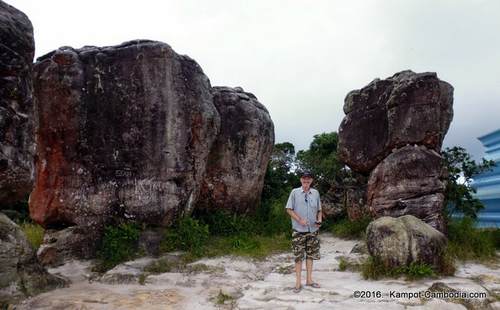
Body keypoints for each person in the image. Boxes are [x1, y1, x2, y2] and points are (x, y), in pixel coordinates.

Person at [285, 170, 322, 293]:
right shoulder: (294, 192)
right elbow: (289, 209)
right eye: (304, 179)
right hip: (298, 230)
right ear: (301, 180)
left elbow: (319, 210)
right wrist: (299, 220)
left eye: (308, 179)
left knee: (310, 255)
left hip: (313, 230)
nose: (306, 181)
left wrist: (319, 220)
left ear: (311, 180)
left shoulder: (316, 193)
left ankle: (309, 280)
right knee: (298, 257)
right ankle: (297, 283)